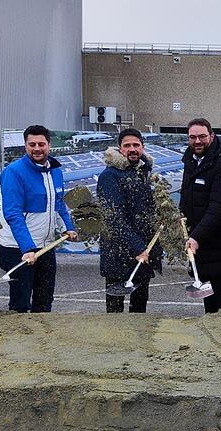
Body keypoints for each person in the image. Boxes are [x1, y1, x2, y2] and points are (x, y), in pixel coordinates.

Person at [0, 124, 78, 313]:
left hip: (46, 247)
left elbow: (58, 203)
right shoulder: (14, 172)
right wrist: (27, 248)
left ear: (49, 145)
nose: (36, 148)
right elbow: (13, 214)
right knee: (20, 305)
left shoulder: (55, 170)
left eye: (41, 144)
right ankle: (19, 341)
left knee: (44, 302)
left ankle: (41, 341)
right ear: (25, 146)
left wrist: (68, 227)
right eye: (31, 144)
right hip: (19, 249)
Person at [178, 118, 221, 313]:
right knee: (209, 301)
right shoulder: (190, 161)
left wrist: (196, 237)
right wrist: (181, 216)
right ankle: (212, 338)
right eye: (192, 137)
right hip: (203, 245)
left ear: (212, 136)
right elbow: (186, 195)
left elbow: (219, 207)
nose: (197, 141)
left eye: (202, 137)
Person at [97, 128, 162, 313]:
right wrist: (138, 246)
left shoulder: (143, 172)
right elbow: (114, 218)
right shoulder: (109, 175)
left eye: (136, 145)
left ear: (142, 147)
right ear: (120, 149)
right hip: (118, 253)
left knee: (139, 307)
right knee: (115, 311)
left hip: (143, 253)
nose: (132, 149)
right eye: (127, 145)